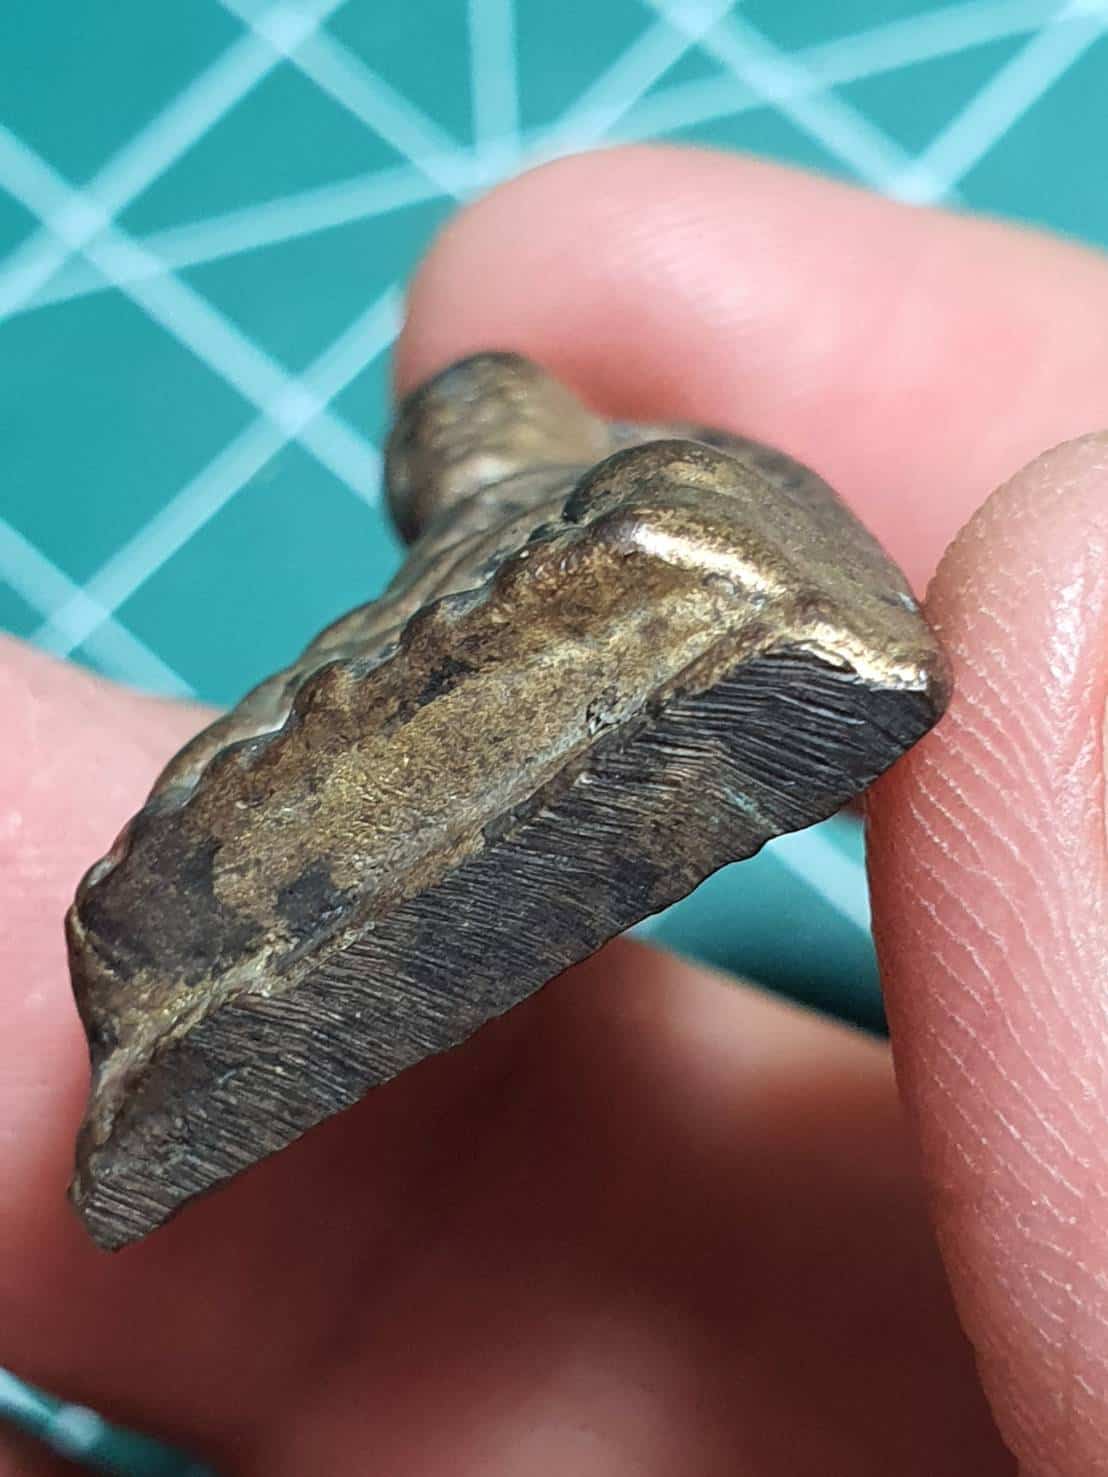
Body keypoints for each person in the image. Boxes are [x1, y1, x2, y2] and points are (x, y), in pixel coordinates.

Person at [2, 145, 1105, 1476]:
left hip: (706, 616)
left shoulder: (673, 484)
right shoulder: (605, 510)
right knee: (140, 908)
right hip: (244, 905)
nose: (452, 453)